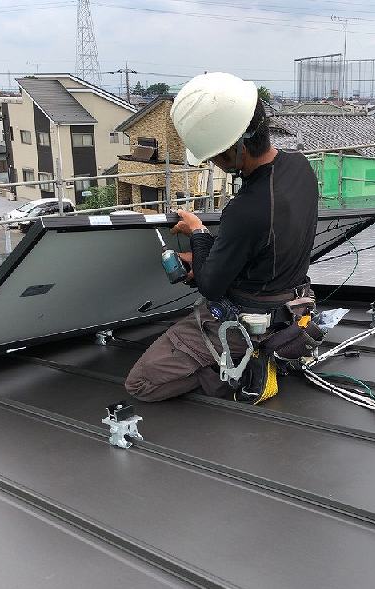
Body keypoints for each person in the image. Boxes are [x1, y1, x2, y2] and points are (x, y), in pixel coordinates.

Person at [125, 72, 320, 402]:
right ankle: (274, 349)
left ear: (237, 149)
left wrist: (198, 234)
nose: (213, 161)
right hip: (292, 305)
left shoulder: (248, 208)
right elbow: (265, 245)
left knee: (141, 385)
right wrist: (210, 255)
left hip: (245, 322)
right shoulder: (300, 167)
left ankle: (244, 368)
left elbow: (212, 286)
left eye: (215, 154)